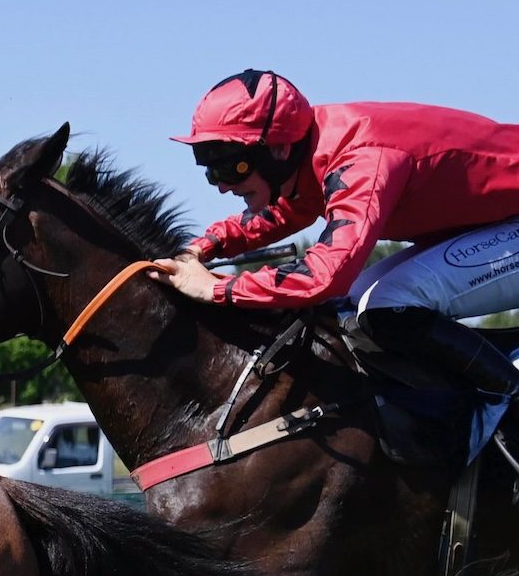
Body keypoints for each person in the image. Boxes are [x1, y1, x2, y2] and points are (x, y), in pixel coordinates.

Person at [151, 70, 519, 399]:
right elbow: (287, 211)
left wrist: (217, 289)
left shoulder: (361, 159)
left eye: (232, 166)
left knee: (385, 306)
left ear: (278, 149)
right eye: (210, 169)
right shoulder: (313, 150)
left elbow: (325, 276)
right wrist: (198, 249)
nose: (221, 185)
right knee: (353, 309)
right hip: (496, 222)